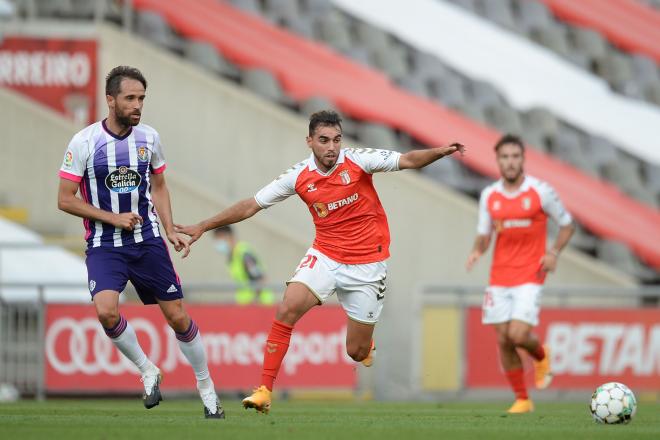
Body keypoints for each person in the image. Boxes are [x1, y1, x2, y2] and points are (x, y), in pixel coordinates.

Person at [175, 110, 465, 414]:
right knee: (288, 306)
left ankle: (366, 346)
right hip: (326, 255)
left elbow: (407, 160)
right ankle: (264, 390)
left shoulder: (357, 160)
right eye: (324, 140)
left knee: (356, 352)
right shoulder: (299, 176)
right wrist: (204, 226)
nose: (331, 147)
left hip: (368, 264)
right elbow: (251, 205)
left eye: (336, 140)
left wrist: (440, 152)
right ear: (310, 141)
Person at [57, 65, 224, 419]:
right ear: (110, 100)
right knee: (105, 310)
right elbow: (65, 199)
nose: (137, 105)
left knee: (178, 318)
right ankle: (148, 369)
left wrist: (169, 228)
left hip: (147, 241)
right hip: (105, 244)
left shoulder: (149, 138)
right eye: (130, 98)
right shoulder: (85, 142)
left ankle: (207, 388)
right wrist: (113, 218)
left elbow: (160, 186)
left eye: (142, 98)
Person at [466, 134, 575, 414]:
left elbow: (567, 225)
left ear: (523, 159)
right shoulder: (490, 195)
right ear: (498, 161)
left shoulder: (540, 192)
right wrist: (478, 250)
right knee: (503, 339)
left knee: (517, 334)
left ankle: (541, 355)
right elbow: (484, 232)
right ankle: (523, 399)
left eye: (515, 156)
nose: (510, 162)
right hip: (499, 276)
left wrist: (553, 253)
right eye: (505, 157)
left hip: (531, 273)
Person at [212, 225, 275, 305]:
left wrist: (254, 304)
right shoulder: (232, 257)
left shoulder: (244, 254)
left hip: (259, 305)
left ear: (229, 237)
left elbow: (259, 280)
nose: (217, 244)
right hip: (246, 306)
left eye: (219, 239)